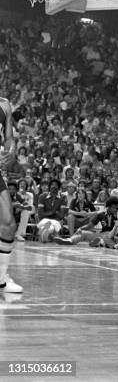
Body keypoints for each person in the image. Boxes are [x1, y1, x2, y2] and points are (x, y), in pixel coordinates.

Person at [0, 96, 23, 293]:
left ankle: (1, 278)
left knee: (8, 224)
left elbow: (8, 138)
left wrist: (11, 150)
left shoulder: (4, 104)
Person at [53, 196, 118, 247]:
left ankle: (99, 243)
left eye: (116, 208)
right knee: (83, 233)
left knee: (106, 237)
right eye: (113, 208)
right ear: (108, 207)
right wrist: (81, 229)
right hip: (102, 235)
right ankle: (69, 240)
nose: (115, 210)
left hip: (113, 237)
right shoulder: (101, 214)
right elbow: (89, 226)